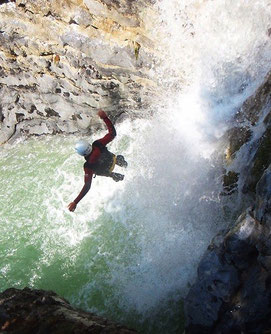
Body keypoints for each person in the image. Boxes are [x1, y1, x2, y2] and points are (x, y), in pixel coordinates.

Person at [68, 109, 127, 212]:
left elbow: (87, 186)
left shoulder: (88, 166)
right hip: (113, 160)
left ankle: (113, 175)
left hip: (107, 171)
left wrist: (75, 202)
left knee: (99, 170)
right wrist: (105, 117)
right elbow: (112, 134)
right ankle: (122, 163)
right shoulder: (97, 145)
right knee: (118, 160)